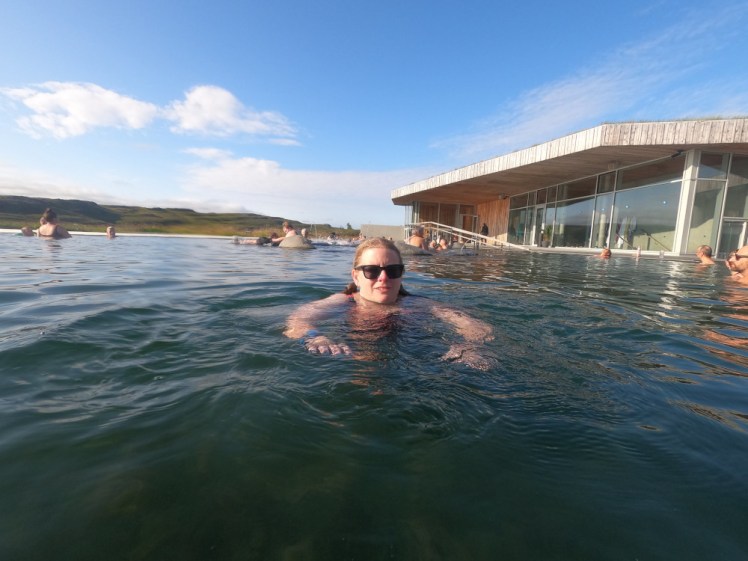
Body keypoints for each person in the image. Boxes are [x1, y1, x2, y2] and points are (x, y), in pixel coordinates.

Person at [284, 237, 495, 369]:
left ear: (401, 276)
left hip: (415, 362)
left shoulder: (419, 304)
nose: (383, 278)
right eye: (372, 271)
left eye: (392, 271)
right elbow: (298, 320)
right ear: (356, 276)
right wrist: (316, 338)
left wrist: (469, 346)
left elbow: (474, 325)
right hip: (348, 360)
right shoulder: (344, 301)